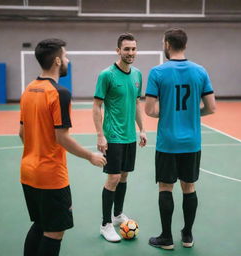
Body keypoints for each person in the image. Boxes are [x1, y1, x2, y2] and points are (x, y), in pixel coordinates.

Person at [19, 38, 106, 256]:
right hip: (50, 176)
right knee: (54, 232)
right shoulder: (59, 93)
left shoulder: (29, 89)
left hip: (28, 172)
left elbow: (22, 133)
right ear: (57, 60)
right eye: (65, 56)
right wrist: (90, 156)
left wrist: (37, 150)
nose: (68, 60)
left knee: (40, 224)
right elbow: (62, 138)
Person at [145, 28, 216, 250]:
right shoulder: (200, 71)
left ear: (167, 44)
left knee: (166, 187)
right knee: (189, 186)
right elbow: (211, 107)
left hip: (168, 142)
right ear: (185, 45)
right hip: (191, 142)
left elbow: (149, 110)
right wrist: (193, 113)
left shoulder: (157, 72)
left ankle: (166, 238)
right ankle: (187, 235)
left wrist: (166, 113)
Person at [93, 33, 147, 242]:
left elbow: (136, 104)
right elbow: (97, 106)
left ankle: (117, 215)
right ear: (118, 50)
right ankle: (105, 224)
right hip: (113, 135)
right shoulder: (106, 75)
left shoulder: (137, 75)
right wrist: (100, 135)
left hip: (129, 136)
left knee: (124, 176)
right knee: (113, 178)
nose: (131, 53)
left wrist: (142, 129)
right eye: (126, 49)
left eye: (133, 49)